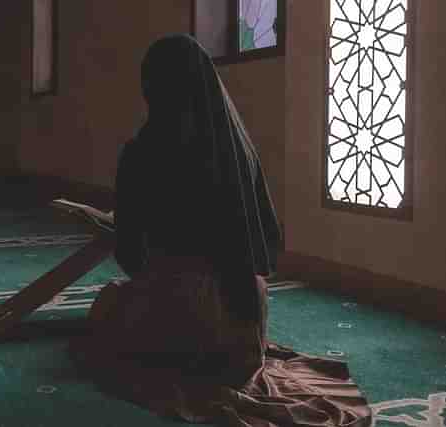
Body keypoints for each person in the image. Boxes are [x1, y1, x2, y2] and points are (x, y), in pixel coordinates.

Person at [69, 34, 372, 426]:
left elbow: (130, 258)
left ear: (151, 86)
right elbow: (267, 241)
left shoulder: (142, 152)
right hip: (245, 328)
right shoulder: (238, 148)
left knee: (106, 311)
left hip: (182, 314)